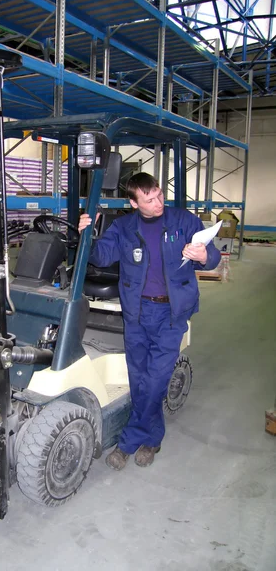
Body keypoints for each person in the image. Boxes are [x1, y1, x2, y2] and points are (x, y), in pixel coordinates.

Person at [78, 172, 220, 470]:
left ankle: (128, 441)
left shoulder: (183, 221)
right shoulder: (124, 227)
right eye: (149, 199)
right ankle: (153, 439)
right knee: (139, 378)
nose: (158, 202)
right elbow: (101, 256)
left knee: (155, 382)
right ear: (133, 202)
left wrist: (204, 254)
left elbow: (214, 256)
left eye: (158, 195)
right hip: (137, 314)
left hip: (171, 314)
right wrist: (86, 235)